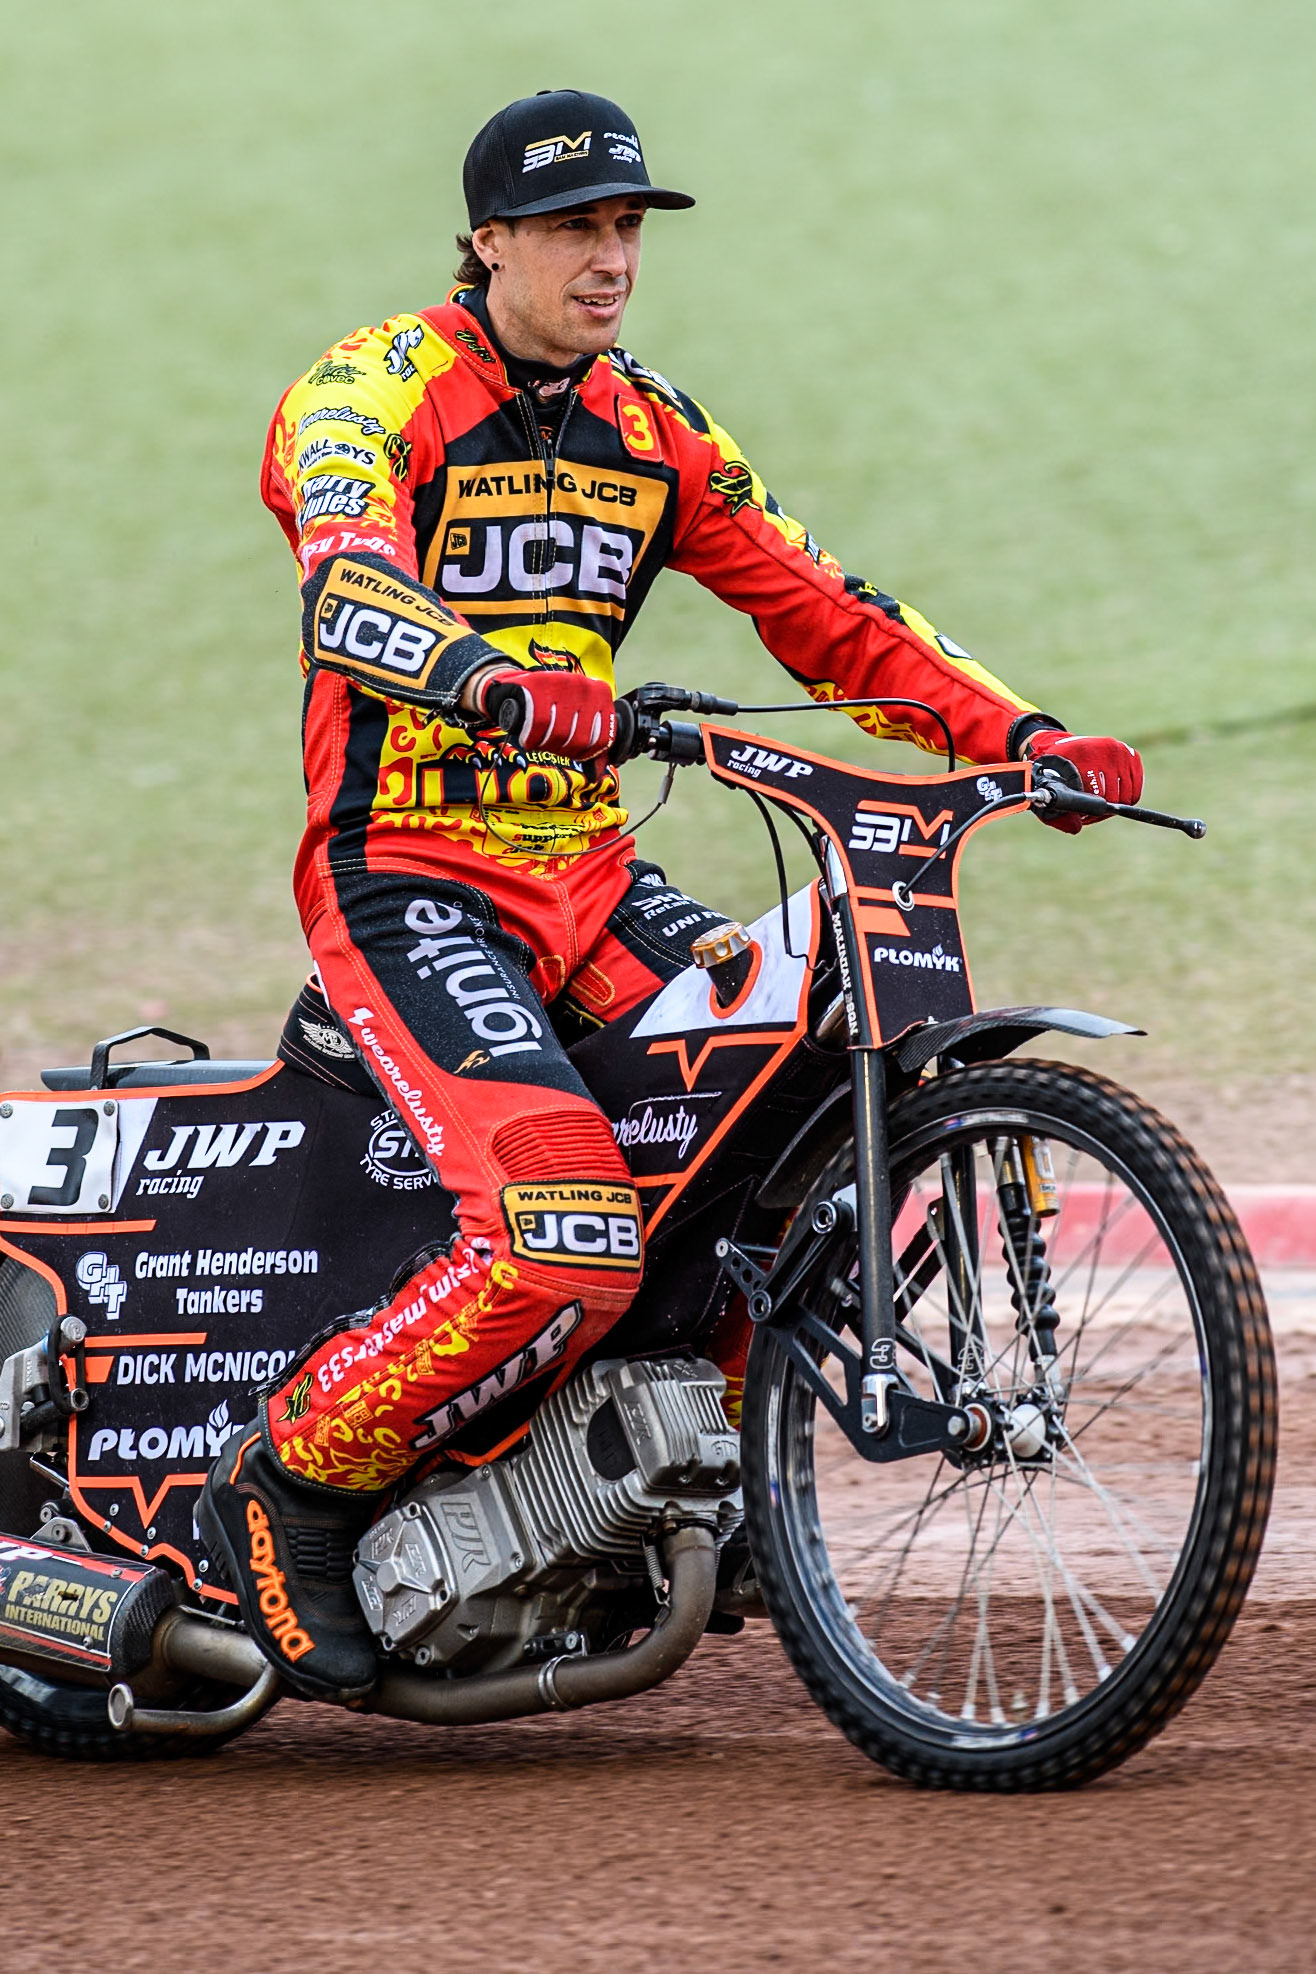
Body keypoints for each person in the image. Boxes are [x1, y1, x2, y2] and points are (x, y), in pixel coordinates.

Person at [199, 88, 1143, 1699]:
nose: (611, 257)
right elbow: (347, 594)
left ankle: (675, 1468)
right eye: (575, 228)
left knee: (779, 1095)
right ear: (487, 239)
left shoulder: (654, 426)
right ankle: (289, 1482)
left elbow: (831, 612)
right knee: (563, 1224)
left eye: (628, 226)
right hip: (409, 875)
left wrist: (1024, 739)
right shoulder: (368, 389)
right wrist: (498, 684)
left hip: (593, 875)